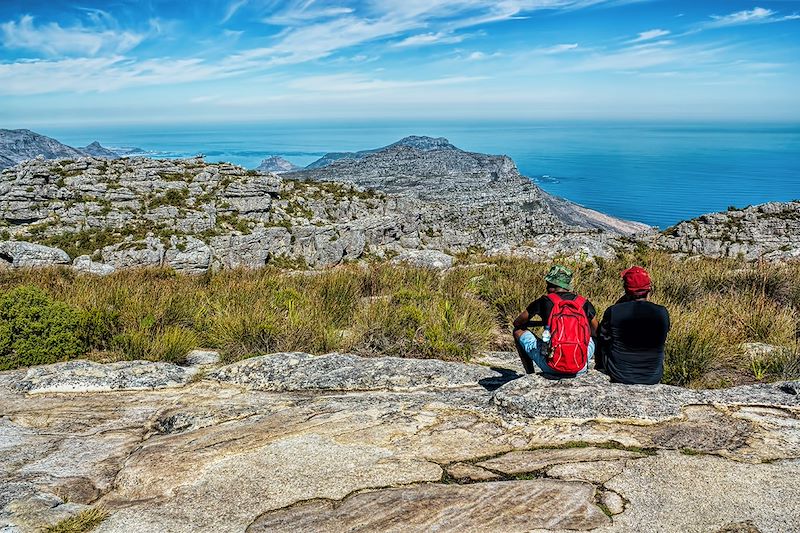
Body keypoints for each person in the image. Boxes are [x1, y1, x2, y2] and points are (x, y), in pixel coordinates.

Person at [512, 265, 598, 377]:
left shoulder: (544, 301)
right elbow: (596, 331)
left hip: (551, 366)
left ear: (551, 285)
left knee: (517, 331)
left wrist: (543, 322)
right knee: (596, 337)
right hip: (579, 366)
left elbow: (517, 322)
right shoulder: (583, 302)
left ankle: (530, 374)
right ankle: (595, 367)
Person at [596, 266, 670, 385]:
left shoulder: (614, 311)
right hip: (653, 376)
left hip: (620, 374)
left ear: (626, 290)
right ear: (649, 289)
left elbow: (603, 339)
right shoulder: (662, 312)